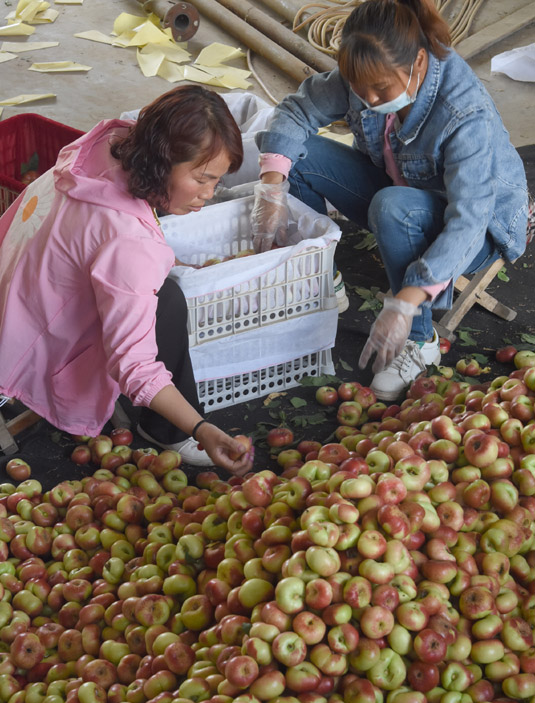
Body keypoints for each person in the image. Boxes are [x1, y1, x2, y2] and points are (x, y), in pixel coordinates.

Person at [251, 0, 529, 401]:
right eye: (359, 88)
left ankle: (420, 338)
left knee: (393, 207)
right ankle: (322, 277)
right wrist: (272, 189)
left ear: (418, 63)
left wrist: (406, 304)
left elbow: (469, 219)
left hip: (478, 230)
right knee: (292, 155)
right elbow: (297, 111)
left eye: (381, 89)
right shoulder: (367, 76)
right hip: (398, 191)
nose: (368, 99)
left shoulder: (464, 113)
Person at [0, 85, 252, 475]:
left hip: (15, 286)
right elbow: (134, 366)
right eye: (202, 179)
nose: (209, 193)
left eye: (216, 181)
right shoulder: (131, 244)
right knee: (165, 300)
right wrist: (201, 429)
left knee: (164, 294)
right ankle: (168, 430)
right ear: (163, 163)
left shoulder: (101, 148)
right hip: (26, 343)